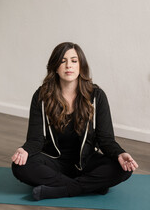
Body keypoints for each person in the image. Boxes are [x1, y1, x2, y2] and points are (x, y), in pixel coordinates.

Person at [11, 42, 138, 201]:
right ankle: (89, 186)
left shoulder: (97, 96)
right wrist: (25, 150)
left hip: (86, 162)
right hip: (53, 161)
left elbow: (105, 139)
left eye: (74, 60)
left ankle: (58, 190)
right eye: (63, 61)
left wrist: (120, 153)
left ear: (81, 66)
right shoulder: (42, 96)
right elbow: (35, 139)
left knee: (123, 169)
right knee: (20, 166)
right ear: (55, 67)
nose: (68, 66)